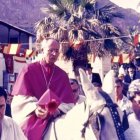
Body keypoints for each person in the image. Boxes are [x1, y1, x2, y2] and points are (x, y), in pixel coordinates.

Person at [11, 38, 76, 140]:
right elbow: (20, 99)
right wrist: (35, 109)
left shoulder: (62, 75)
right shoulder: (28, 70)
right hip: (34, 117)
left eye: (57, 51)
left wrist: (56, 110)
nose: (54, 54)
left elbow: (69, 104)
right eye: (51, 50)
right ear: (43, 50)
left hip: (57, 116)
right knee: (28, 132)